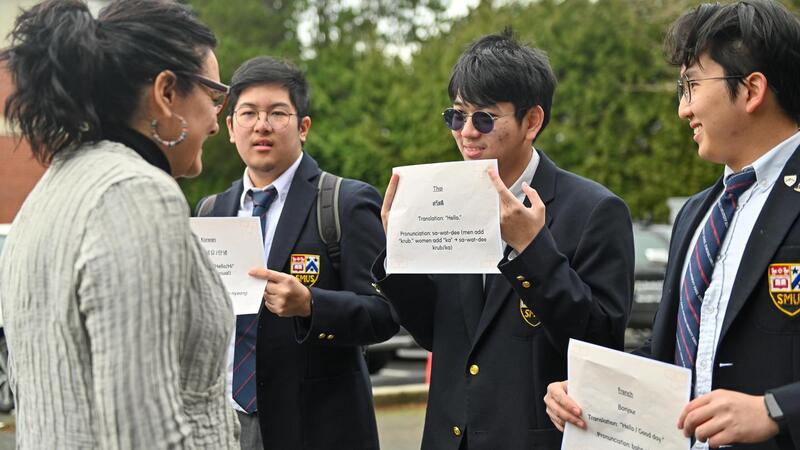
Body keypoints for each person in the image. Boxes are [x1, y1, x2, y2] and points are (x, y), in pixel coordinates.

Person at [544, 1, 800, 449]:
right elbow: (674, 353)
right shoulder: (698, 214)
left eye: (691, 86)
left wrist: (776, 409)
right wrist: (587, 391)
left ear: (752, 89)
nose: (684, 109)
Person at [372, 30, 634, 450]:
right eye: (457, 116)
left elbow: (601, 344)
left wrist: (534, 251)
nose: (467, 132)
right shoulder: (444, 198)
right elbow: (436, 335)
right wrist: (397, 256)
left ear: (532, 121)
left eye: (485, 118)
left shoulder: (594, 210)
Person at [0, 0, 238, 448]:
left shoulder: (48, 193)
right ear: (166, 93)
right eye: (215, 95)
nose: (217, 122)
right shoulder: (136, 192)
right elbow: (143, 430)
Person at [195, 55, 398, 450]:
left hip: (317, 428)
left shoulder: (344, 202)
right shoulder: (211, 211)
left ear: (303, 127)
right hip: (226, 425)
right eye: (248, 113)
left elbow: (385, 314)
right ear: (231, 128)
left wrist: (311, 304)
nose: (262, 125)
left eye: (277, 113)